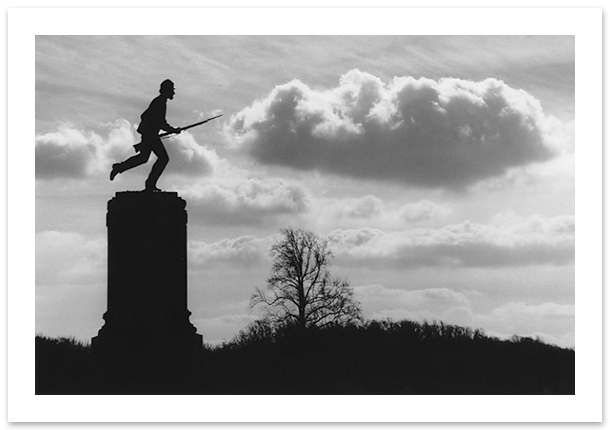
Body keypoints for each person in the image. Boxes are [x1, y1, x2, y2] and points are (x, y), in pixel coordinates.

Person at [110, 79, 181, 192]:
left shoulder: (160, 101)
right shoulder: (159, 102)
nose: (173, 92)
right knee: (163, 158)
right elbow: (160, 122)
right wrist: (173, 130)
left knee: (143, 158)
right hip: (150, 135)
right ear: (166, 90)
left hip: (150, 135)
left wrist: (171, 130)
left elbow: (157, 121)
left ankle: (119, 167)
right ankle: (149, 184)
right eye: (172, 90)